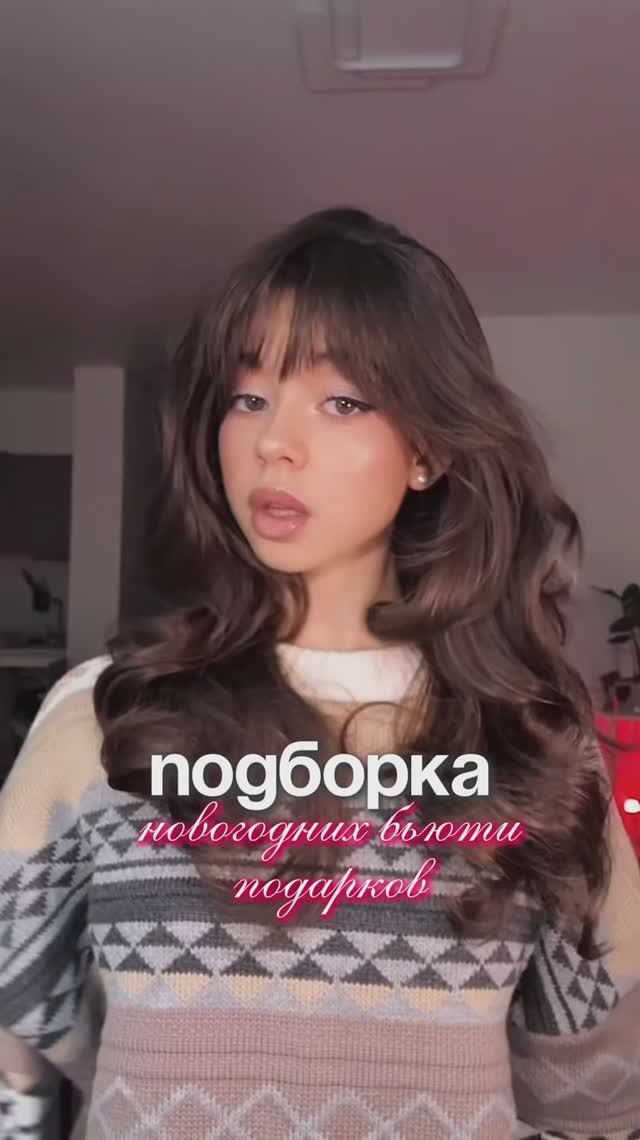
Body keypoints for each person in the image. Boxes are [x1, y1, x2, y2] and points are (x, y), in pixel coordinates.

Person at [1, 207, 639, 1140]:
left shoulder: (530, 745)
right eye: (248, 397)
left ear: (429, 449)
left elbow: (597, 1091)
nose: (274, 443)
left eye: (341, 402)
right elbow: (24, 1029)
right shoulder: (104, 721)